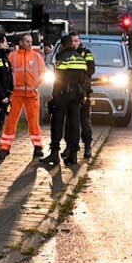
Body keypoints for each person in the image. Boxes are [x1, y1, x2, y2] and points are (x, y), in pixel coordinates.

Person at [44, 31, 95, 169]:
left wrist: (54, 97)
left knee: (58, 123)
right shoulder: (80, 58)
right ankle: (73, 155)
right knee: (74, 124)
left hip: (62, 95)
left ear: (62, 45)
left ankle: (54, 153)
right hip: (77, 97)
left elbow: (58, 80)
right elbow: (85, 77)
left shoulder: (62, 57)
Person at [0, 32, 47, 157]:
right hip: (16, 94)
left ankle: (37, 147)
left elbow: (43, 73)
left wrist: (36, 85)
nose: (30, 44)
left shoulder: (36, 56)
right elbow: (7, 74)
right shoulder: (12, 56)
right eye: (27, 41)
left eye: (31, 42)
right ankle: (5, 147)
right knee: (11, 120)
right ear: (20, 42)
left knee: (34, 121)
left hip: (32, 94)